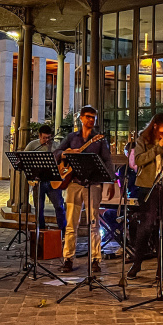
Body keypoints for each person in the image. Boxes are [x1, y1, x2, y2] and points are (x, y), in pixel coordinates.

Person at [53, 105, 115, 274]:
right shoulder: (72, 137)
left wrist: (111, 182)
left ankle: (95, 259)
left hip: (93, 183)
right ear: (80, 118)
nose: (91, 120)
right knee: (71, 224)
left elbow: (107, 160)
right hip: (73, 183)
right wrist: (65, 154)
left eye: (93, 117)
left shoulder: (99, 139)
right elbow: (56, 151)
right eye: (88, 116)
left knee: (94, 224)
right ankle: (68, 259)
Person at [128, 112, 163, 281]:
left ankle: (162, 269)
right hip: (148, 187)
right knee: (147, 225)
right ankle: (137, 263)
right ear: (155, 126)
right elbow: (139, 160)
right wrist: (157, 147)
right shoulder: (143, 140)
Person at [24, 125, 67, 232]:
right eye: (44, 138)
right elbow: (24, 161)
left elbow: (63, 161)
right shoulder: (33, 145)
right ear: (39, 136)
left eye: (49, 138)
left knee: (59, 206)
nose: (47, 140)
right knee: (39, 208)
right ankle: (41, 231)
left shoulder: (56, 146)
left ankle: (63, 231)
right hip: (38, 182)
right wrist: (29, 177)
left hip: (53, 181)